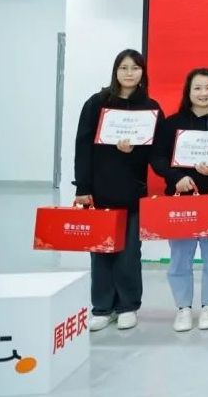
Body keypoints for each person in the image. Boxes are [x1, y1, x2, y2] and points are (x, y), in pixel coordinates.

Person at [73, 49, 165, 332]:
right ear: (115, 71)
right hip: (99, 191)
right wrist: (83, 187)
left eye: (135, 68)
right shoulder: (97, 103)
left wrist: (133, 150)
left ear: (143, 73)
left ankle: (127, 306)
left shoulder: (150, 108)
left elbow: (156, 153)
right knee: (100, 251)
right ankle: (102, 307)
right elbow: (82, 147)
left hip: (132, 192)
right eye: (123, 68)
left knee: (129, 253)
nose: (129, 73)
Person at [151, 68, 208, 331]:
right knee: (180, 257)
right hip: (180, 199)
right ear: (188, 92)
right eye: (198, 88)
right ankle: (183, 307)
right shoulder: (172, 124)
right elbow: (157, 158)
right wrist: (176, 177)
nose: (204, 93)